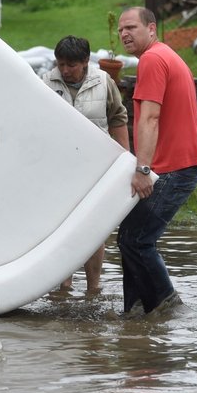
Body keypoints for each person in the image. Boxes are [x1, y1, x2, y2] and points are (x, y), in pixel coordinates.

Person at [116, 7, 197, 316]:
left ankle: (168, 307)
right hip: (176, 164)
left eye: (131, 27)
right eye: (120, 30)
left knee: (137, 239)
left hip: (174, 167)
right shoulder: (164, 54)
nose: (124, 33)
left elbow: (149, 118)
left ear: (151, 28)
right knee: (129, 236)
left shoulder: (153, 59)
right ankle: (135, 308)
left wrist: (142, 170)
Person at [41, 35, 129, 293]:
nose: (65, 70)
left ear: (85, 62)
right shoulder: (46, 82)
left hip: (96, 169)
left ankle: (93, 287)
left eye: (71, 65)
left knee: (95, 228)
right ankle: (63, 285)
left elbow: (117, 119)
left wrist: (126, 160)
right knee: (61, 227)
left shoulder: (104, 82)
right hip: (60, 169)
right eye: (61, 64)